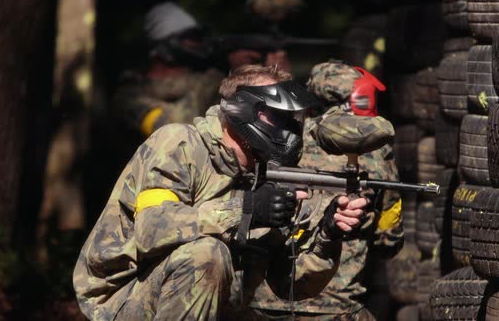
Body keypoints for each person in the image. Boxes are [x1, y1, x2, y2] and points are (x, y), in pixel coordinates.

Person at [73, 65, 372, 320]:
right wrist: (245, 209)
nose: (289, 128)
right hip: (124, 297)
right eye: (277, 116)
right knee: (207, 254)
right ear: (243, 109)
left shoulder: (267, 171)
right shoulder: (179, 143)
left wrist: (328, 237)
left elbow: (290, 284)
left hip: (220, 304)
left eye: (292, 118)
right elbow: (153, 229)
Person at [246, 61, 403, 320]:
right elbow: (388, 241)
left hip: (261, 303)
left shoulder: (273, 139)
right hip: (336, 308)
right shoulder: (374, 153)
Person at [112, 1, 225, 140]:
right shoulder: (129, 95)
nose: (197, 43)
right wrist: (212, 83)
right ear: (165, 47)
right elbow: (172, 132)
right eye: (190, 37)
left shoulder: (204, 80)